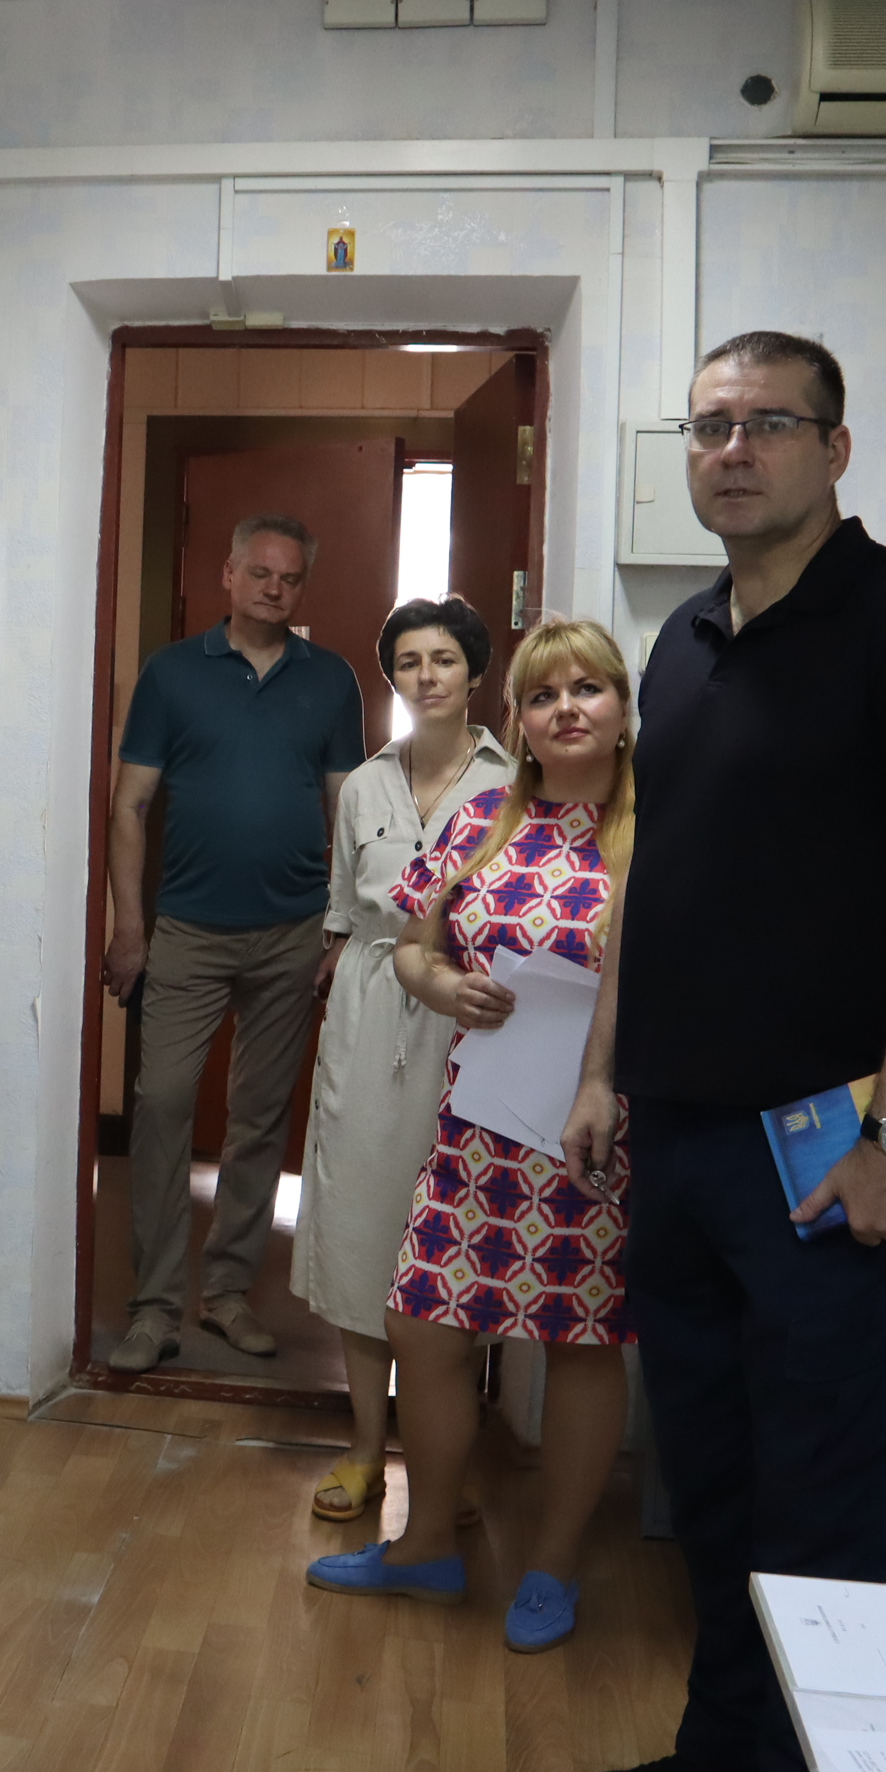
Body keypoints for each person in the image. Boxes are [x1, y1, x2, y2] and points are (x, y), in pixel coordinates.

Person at [558, 333, 886, 1772]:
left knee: (829, 1505)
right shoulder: (683, 639)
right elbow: (650, 878)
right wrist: (605, 1071)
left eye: (766, 424)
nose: (732, 451)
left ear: (834, 448)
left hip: (827, 1153)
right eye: (708, 427)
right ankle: (726, 1762)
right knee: (712, 1485)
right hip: (679, 1138)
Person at [304, 619, 638, 1657]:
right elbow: (412, 946)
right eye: (543, 696)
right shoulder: (485, 820)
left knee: (579, 1345)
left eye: (587, 689)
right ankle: (424, 1549)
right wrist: (444, 983)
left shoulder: (657, 830)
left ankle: (553, 1564)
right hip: (479, 1131)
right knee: (423, 1326)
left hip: (594, 1140)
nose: (566, 709)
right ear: (519, 721)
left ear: (623, 709)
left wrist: (603, 1076)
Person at [101, 515, 366, 1373]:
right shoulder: (173, 673)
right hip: (186, 929)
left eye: (289, 578)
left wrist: (341, 926)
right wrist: (129, 928)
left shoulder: (331, 680)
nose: (274, 589)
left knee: (259, 1118)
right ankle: (153, 1309)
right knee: (162, 1102)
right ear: (228, 574)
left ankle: (225, 1294)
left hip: (292, 933)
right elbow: (129, 805)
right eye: (260, 573)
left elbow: (348, 809)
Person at [291, 596, 512, 1522]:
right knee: (359, 1231)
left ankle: (443, 1465)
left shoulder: (514, 783)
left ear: (474, 673)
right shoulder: (363, 786)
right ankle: (363, 1450)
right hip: (372, 1008)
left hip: (474, 1018)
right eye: (410, 662)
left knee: (457, 1245)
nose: (428, 676)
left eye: (445, 659)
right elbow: (345, 911)